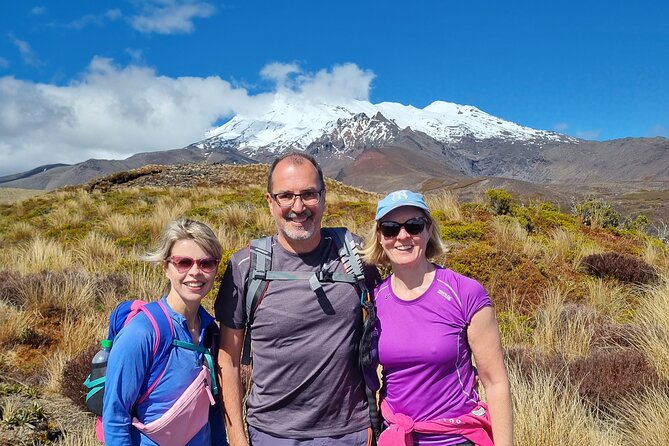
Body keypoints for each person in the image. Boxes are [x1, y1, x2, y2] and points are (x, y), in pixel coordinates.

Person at [216, 152, 381, 446]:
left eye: (308, 194)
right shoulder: (246, 267)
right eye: (286, 196)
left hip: (349, 434)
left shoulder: (356, 256)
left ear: (324, 197)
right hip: (271, 435)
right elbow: (227, 360)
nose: (298, 206)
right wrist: (237, 439)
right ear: (270, 202)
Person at [360, 190, 513, 446]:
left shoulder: (465, 292)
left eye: (414, 225)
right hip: (396, 437)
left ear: (429, 230)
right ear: (380, 237)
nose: (403, 236)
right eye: (390, 228)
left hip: (455, 437)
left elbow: (495, 382)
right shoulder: (375, 299)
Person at [103, 218, 228, 445]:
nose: (195, 272)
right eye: (183, 262)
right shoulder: (142, 333)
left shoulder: (210, 332)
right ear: (165, 267)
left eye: (206, 263)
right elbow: (115, 416)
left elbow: (213, 411)